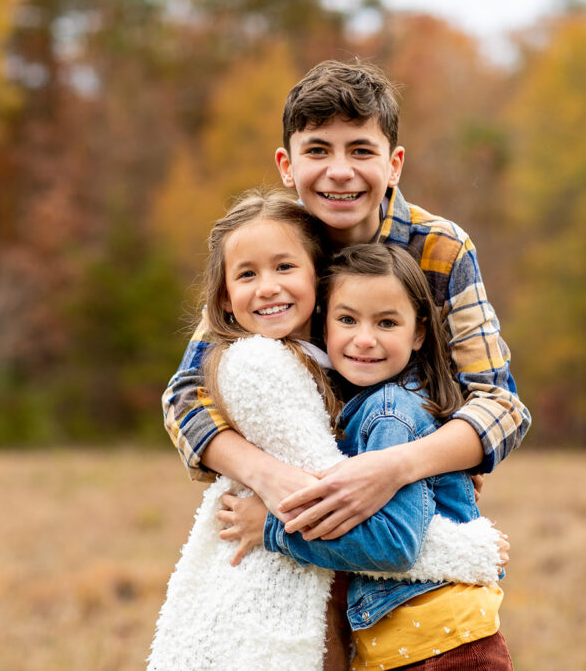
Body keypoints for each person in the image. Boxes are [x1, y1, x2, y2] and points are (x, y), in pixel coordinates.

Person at [162, 58, 530, 542]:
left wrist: (392, 467)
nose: (340, 172)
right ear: (287, 167)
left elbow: (500, 404)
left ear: (393, 164)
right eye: (318, 150)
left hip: (405, 506)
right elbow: (185, 396)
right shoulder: (269, 247)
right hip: (289, 507)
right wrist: (271, 478)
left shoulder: (440, 248)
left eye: (360, 150)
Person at [148, 191, 507, 671]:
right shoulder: (261, 365)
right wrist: (469, 548)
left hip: (432, 640)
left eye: (285, 268)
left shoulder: (376, 399)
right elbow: (343, 512)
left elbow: (497, 401)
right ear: (224, 298)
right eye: (248, 274)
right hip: (363, 621)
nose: (269, 288)